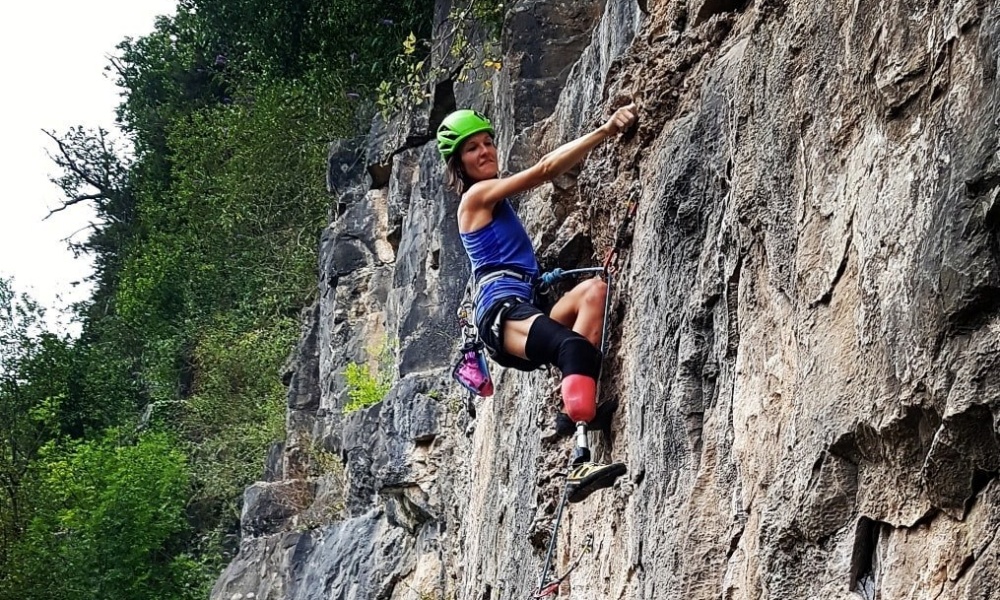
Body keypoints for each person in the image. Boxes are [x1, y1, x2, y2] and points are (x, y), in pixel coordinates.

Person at [437, 104, 636, 502]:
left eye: (488, 143)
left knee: (594, 293)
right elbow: (546, 170)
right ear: (458, 163)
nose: (485, 152)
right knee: (571, 346)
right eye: (472, 148)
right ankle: (579, 459)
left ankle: (577, 401)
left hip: (524, 306)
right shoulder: (476, 197)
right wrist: (606, 130)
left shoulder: (493, 202)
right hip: (501, 315)